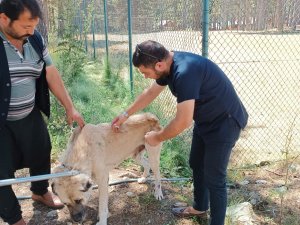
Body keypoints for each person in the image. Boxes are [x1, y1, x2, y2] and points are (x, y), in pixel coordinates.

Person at [111, 40, 248, 225]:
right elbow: (150, 93)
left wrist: (156, 137)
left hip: (225, 122)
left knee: (215, 177)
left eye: (145, 72)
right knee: (196, 163)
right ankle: (200, 208)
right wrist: (125, 114)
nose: (145, 76)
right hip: (206, 120)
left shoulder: (184, 72)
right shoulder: (167, 65)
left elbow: (183, 121)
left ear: (159, 65)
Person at [0, 1, 85, 225]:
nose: (31, 31)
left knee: (41, 151)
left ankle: (39, 192)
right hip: (2, 121)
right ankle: (14, 218)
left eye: (34, 25)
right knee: (1, 171)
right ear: (4, 19)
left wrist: (70, 107)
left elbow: (50, 72)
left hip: (29, 113)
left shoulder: (35, 39)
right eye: (26, 26)